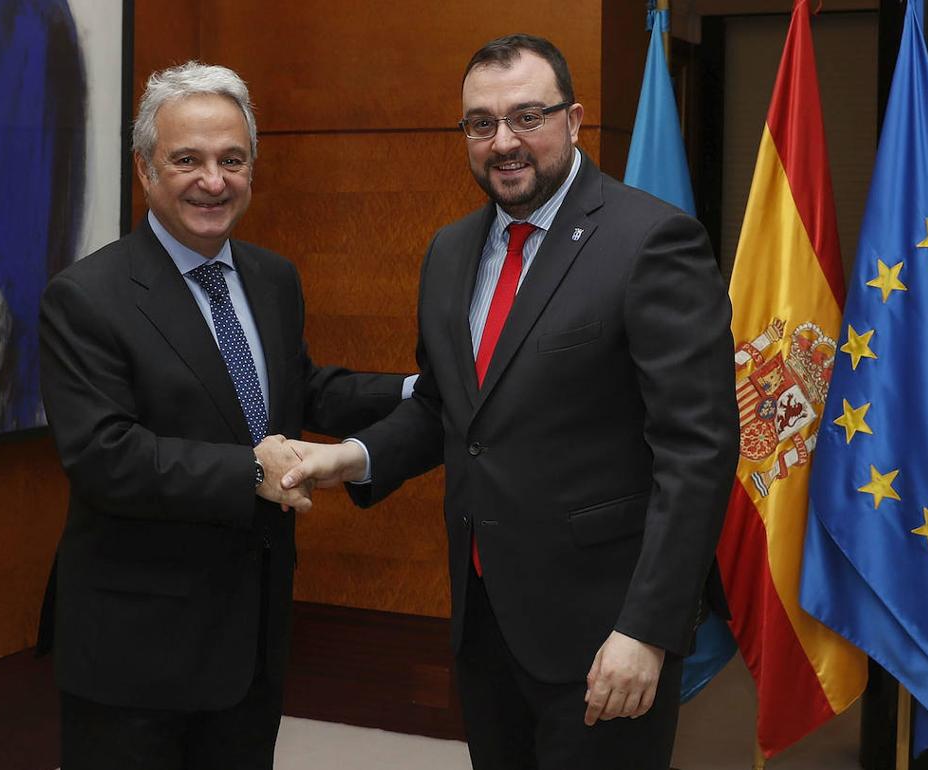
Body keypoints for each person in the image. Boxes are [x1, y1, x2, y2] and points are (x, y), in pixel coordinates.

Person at [282, 34, 739, 770]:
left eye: (527, 116)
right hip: (485, 625)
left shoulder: (651, 241)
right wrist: (352, 456)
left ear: (575, 119)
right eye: (481, 123)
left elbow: (700, 451)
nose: (503, 142)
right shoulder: (449, 252)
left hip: (606, 634)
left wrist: (647, 629)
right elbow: (447, 410)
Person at [37, 61, 409, 769]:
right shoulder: (87, 298)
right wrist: (249, 471)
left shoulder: (272, 278)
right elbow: (104, 456)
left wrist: (424, 389)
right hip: (135, 654)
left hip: (252, 635)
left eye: (231, 159)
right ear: (145, 170)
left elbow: (299, 390)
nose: (214, 180)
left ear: (252, 169)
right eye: (188, 160)